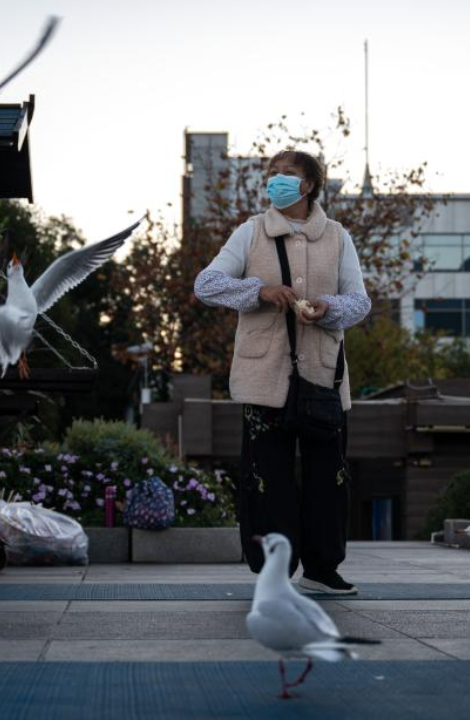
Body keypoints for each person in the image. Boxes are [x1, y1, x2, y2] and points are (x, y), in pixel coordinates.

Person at [193, 149, 371, 595]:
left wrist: (328, 308)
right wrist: (260, 291)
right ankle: (272, 571)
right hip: (264, 378)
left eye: (287, 175)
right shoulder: (251, 232)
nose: (276, 181)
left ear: (308, 185)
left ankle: (322, 569)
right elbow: (207, 284)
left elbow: (360, 302)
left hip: (323, 378)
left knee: (326, 479)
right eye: (273, 174)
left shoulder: (338, 237)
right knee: (266, 479)